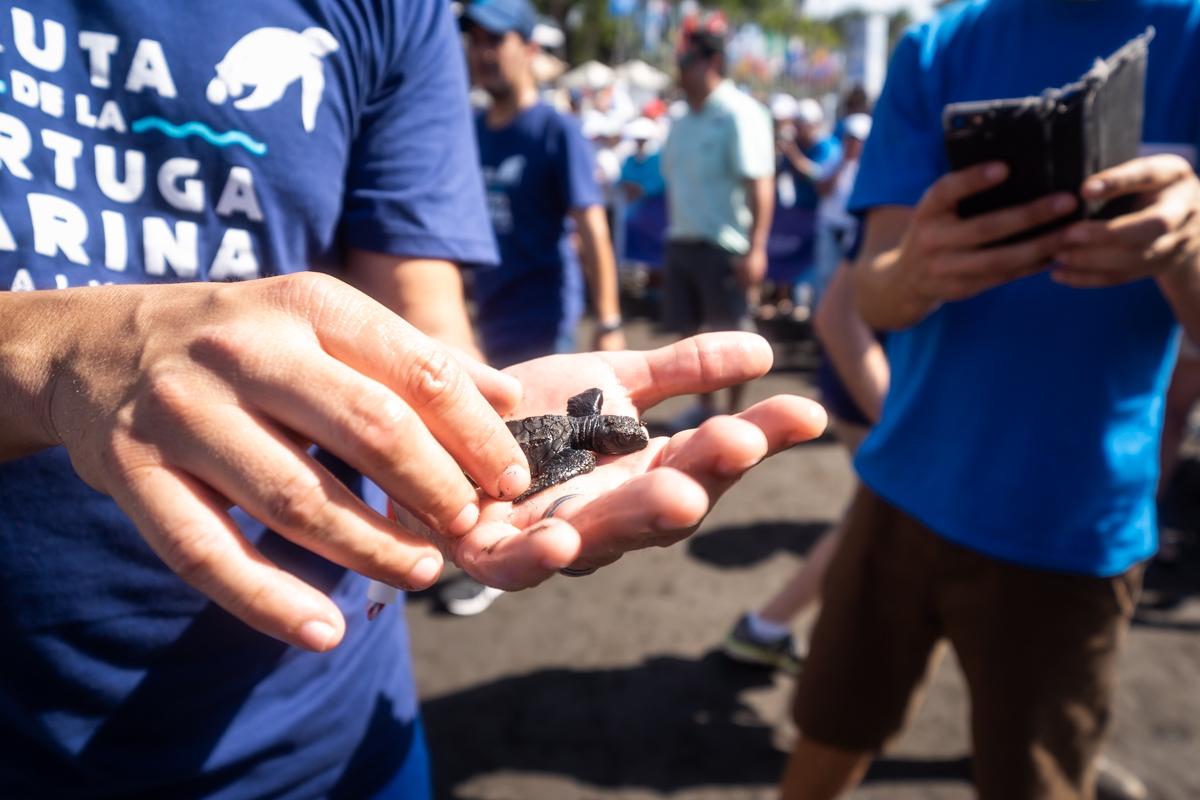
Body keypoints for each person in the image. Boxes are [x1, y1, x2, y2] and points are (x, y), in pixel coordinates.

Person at [0, 3, 830, 798]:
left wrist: (465, 402)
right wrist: (58, 352)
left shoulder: (393, 10)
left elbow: (416, 302)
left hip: (335, 718)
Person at [781, 3, 1200, 799]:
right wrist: (916, 271)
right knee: (826, 739)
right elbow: (866, 289)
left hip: (1075, 528)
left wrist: (1187, 252)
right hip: (900, 491)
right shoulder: (942, 44)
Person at [440, 0, 627, 616]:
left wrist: (609, 321)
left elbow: (592, 226)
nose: (484, 52)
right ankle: (482, 539)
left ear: (529, 47)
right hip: (477, 310)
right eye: (476, 40)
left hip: (540, 310)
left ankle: (502, 552)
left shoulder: (555, 130)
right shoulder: (471, 128)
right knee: (469, 427)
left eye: (498, 39)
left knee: (523, 431)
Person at [723, 252, 887, 674]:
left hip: (875, 387)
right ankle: (766, 627)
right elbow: (837, 315)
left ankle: (767, 627)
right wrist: (897, 424)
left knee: (872, 517)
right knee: (874, 518)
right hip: (877, 391)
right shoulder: (910, 194)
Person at [660, 13, 775, 429]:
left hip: (725, 246)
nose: (679, 71)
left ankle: (734, 413)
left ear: (709, 62)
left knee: (735, 338)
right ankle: (706, 412)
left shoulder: (739, 113)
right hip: (683, 241)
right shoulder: (680, 119)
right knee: (689, 340)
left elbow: (761, 185)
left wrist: (757, 247)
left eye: (685, 62)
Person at [776, 97, 843, 317]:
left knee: (822, 271)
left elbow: (816, 177)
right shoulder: (798, 146)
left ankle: (818, 313)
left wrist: (791, 151)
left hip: (825, 219)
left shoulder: (827, 147)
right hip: (801, 217)